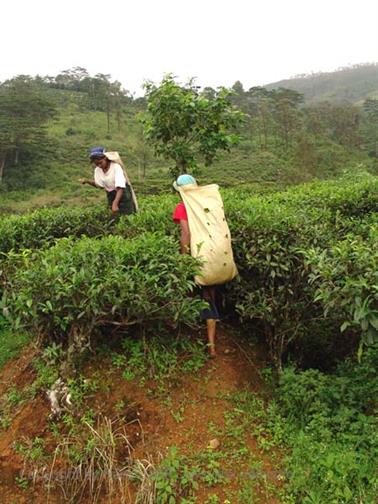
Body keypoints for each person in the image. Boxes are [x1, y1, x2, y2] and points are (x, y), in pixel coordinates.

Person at [172, 174, 237, 357]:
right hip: (215, 255)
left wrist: (184, 259)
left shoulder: (182, 207)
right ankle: (211, 343)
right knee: (210, 296)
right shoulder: (207, 205)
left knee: (195, 296)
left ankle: (206, 344)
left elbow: (186, 234)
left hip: (199, 256)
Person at [79, 147, 138, 215]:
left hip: (123, 194)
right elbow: (100, 185)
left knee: (128, 215)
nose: (99, 165)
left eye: (100, 163)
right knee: (114, 217)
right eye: (96, 164)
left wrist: (115, 203)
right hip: (111, 195)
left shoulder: (116, 167)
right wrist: (87, 181)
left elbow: (120, 187)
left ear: (105, 158)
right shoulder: (98, 170)